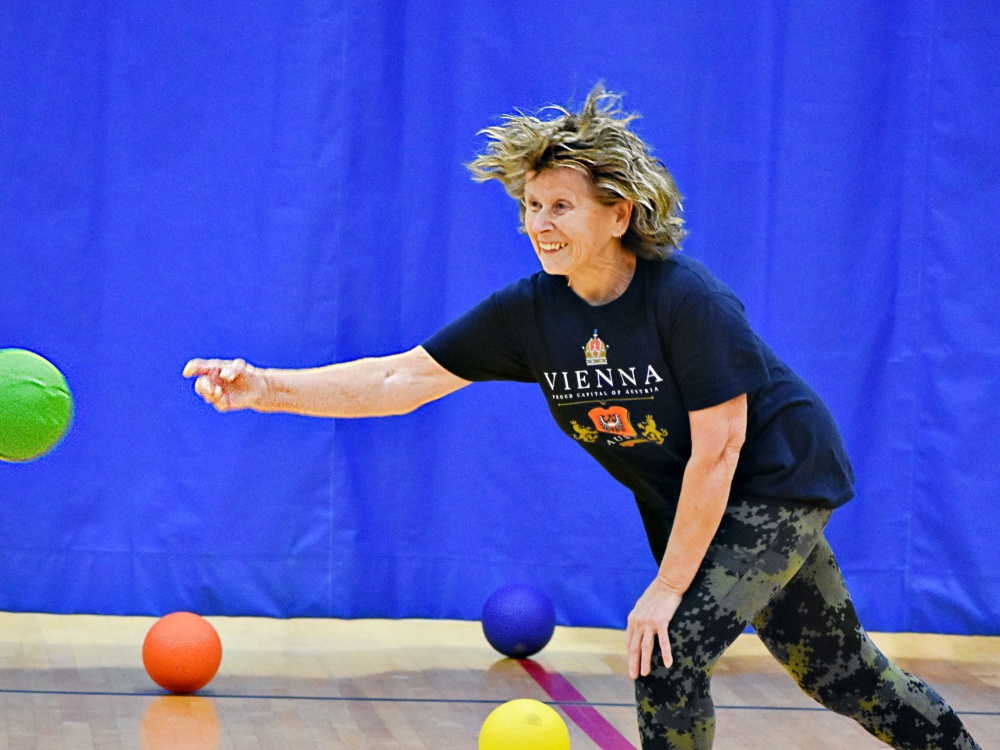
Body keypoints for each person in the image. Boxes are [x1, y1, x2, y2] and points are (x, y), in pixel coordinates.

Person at [183, 85, 981, 750]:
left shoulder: (686, 300)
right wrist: (269, 387)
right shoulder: (531, 314)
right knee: (841, 671)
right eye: (530, 206)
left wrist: (667, 588)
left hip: (774, 480)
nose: (539, 223)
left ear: (618, 213)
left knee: (666, 652)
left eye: (560, 204)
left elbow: (722, 444)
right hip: (699, 500)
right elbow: (400, 377)